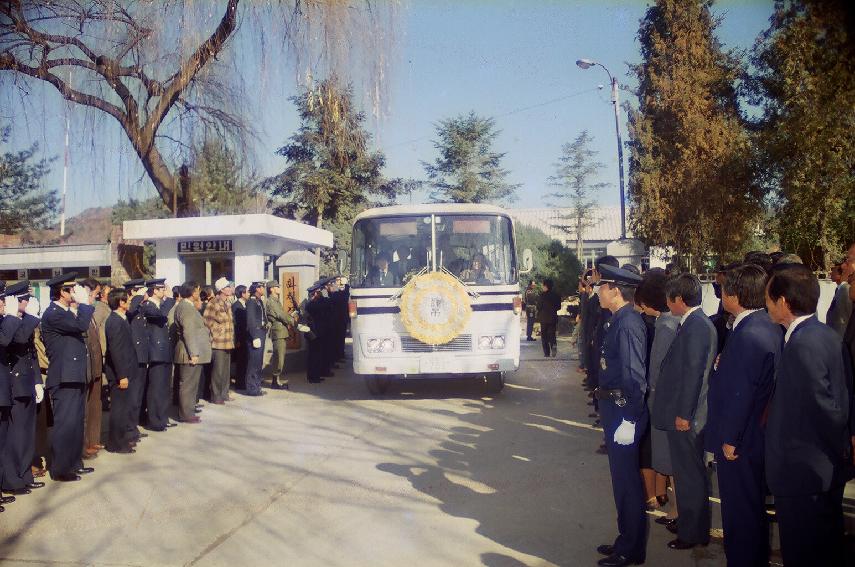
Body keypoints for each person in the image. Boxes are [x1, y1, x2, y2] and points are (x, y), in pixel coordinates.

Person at [765, 263, 850, 566]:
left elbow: (824, 407)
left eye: (768, 299)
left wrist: (836, 447)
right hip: (819, 469)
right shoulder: (824, 334)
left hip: (804, 473)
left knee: (804, 550)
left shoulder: (804, 344)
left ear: (783, 302)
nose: (766, 306)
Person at [705, 264, 781, 566]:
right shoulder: (762, 324)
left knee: (740, 512)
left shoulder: (749, 333)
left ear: (733, 294)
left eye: (723, 289)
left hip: (742, 440)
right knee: (748, 509)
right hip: (753, 434)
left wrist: (730, 438)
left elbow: (743, 392)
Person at [652, 273, 716, 550]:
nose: (667, 303)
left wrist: (684, 415)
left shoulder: (697, 326)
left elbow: (693, 374)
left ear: (678, 300)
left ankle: (692, 533)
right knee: (688, 474)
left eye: (669, 298)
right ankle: (690, 523)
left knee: (690, 476)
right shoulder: (693, 323)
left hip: (687, 417)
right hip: (685, 413)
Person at [592, 264, 648, 567]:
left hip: (623, 411)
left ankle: (630, 549)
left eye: (602, 286)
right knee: (622, 483)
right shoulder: (618, 320)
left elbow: (634, 378)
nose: (597, 291)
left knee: (627, 484)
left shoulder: (627, 324)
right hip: (614, 408)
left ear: (615, 290)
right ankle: (627, 540)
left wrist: (629, 419)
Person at [39, 273, 96, 482]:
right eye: (72, 290)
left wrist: (80, 306)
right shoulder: (54, 314)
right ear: (62, 292)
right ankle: (61, 469)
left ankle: (74, 462)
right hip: (64, 377)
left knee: (76, 423)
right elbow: (81, 326)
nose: (75, 293)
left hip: (74, 375)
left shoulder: (66, 312)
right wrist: (83, 304)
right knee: (65, 424)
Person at [635, 269, 677, 518]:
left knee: (654, 451)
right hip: (661, 401)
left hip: (657, 401)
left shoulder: (663, 326)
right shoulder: (668, 322)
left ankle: (657, 497)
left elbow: (657, 371)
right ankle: (662, 495)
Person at [1, 281, 44, 496]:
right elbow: (16, 340)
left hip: (26, 380)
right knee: (16, 435)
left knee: (27, 434)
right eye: (24, 299)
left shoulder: (21, 321)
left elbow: (31, 353)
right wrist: (31, 319)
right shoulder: (10, 322)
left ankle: (25, 474)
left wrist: (37, 380)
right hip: (14, 384)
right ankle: (12, 479)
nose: (27, 302)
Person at [103, 289, 138, 454]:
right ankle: (117, 443)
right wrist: (122, 376)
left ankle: (120, 440)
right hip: (119, 374)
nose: (129, 302)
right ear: (121, 303)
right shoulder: (115, 321)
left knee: (124, 409)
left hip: (126, 370)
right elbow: (116, 351)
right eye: (127, 300)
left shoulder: (121, 318)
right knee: (119, 410)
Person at [173, 281, 211, 423]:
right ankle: (186, 414)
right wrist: (194, 353)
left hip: (191, 351)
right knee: (188, 385)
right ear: (192, 292)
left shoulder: (188, 306)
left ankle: (188, 410)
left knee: (191, 384)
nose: (198, 293)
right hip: (189, 353)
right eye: (197, 290)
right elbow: (188, 331)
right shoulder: (186, 308)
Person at [141, 278, 174, 430]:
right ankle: (155, 420)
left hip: (164, 351)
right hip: (155, 352)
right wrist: (169, 298)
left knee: (164, 387)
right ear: (154, 290)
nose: (164, 292)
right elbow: (161, 315)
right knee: (156, 388)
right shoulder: (148, 306)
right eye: (161, 289)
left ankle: (162, 417)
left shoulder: (159, 304)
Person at [79, 279, 103, 460]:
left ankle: (92, 440)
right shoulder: (81, 315)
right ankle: (84, 444)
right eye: (94, 294)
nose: (96, 297)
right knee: (84, 411)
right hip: (86, 368)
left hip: (95, 367)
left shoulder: (90, 313)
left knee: (94, 406)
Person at [123, 278, 148, 442]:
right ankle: (129, 429)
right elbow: (130, 312)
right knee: (132, 396)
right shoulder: (130, 306)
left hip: (142, 356)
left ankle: (134, 427)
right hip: (133, 357)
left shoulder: (140, 306)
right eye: (141, 291)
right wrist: (137, 297)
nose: (145, 294)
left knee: (138, 395)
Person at [203, 278, 235, 404]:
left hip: (228, 341)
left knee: (226, 371)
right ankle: (216, 396)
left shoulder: (228, 303)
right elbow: (206, 322)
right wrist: (215, 333)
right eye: (228, 286)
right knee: (218, 371)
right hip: (218, 342)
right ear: (222, 289)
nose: (231, 288)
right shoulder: (213, 303)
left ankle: (224, 393)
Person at [265, 280, 294, 390]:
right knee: (279, 358)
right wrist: (292, 320)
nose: (279, 288)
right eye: (276, 287)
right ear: (271, 289)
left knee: (280, 357)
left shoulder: (276, 300)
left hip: (281, 331)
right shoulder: (271, 301)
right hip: (278, 331)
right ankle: (275, 381)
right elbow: (281, 315)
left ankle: (276, 380)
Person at [244, 282, 268, 396]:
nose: (264, 289)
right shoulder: (251, 302)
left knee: (258, 362)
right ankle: (252, 388)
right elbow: (251, 319)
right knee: (254, 362)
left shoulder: (259, 301)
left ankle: (257, 386)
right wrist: (254, 336)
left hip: (261, 331)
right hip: (256, 333)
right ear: (257, 289)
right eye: (262, 287)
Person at [536, 279, 560, 357]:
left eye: (543, 285)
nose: (542, 287)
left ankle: (546, 353)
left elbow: (538, 306)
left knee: (544, 336)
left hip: (544, 319)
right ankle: (554, 346)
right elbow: (559, 307)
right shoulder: (556, 295)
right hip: (553, 318)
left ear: (546, 286)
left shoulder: (542, 295)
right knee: (552, 334)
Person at [231, 285, 249, 392]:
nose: (248, 294)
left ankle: (242, 382)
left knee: (244, 361)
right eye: (246, 292)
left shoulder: (244, 304)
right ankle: (240, 384)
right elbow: (236, 324)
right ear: (242, 293)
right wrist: (237, 340)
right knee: (241, 361)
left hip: (244, 337)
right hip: (240, 338)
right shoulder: (236, 306)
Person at [827, 263, 852, 338]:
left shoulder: (845, 289)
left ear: (839, 275)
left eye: (833, 271)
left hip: (841, 336)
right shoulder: (839, 289)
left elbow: (849, 313)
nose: (830, 273)